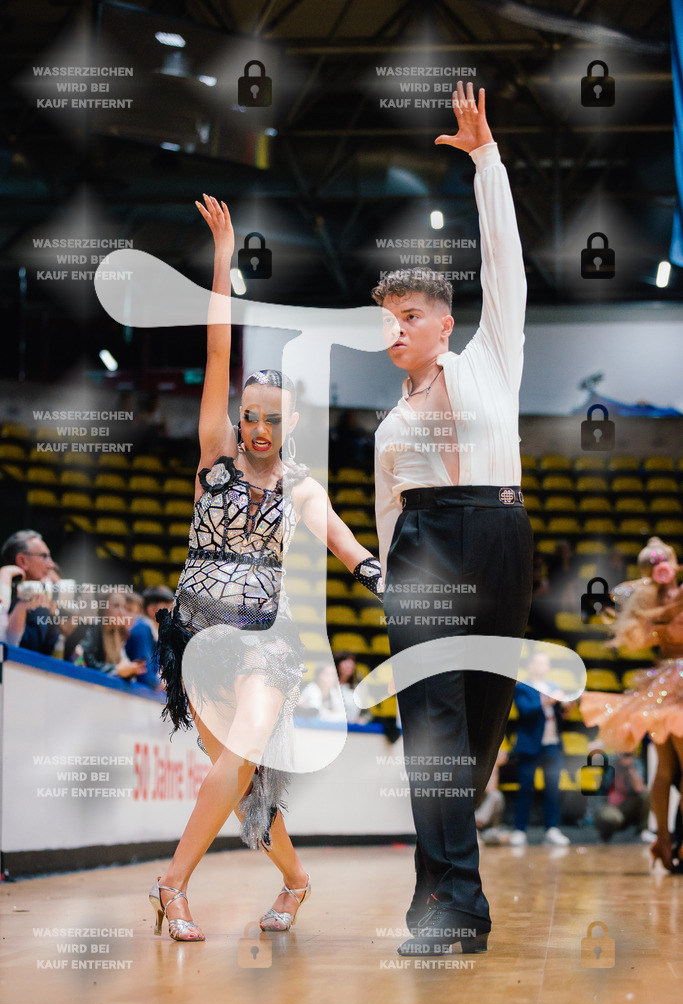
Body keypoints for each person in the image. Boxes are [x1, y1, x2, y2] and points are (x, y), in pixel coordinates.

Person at [150, 194, 383, 941]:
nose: (255, 425)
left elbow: (351, 549)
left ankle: (172, 884)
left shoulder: (302, 485)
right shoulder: (212, 461)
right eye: (248, 413)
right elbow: (219, 351)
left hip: (260, 641)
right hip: (194, 640)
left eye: (270, 419)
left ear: (289, 427)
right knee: (243, 785)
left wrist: (381, 576)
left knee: (245, 755)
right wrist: (221, 259)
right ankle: (297, 882)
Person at [373, 81, 534, 956]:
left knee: (473, 738)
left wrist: (484, 159)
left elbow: (503, 261)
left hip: (502, 537)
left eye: (405, 316)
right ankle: (454, 910)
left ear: (442, 322)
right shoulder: (389, 427)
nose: (392, 330)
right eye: (383, 321)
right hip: (422, 551)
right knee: (430, 733)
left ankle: (437, 881)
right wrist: (380, 575)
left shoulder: (491, 363)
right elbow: (384, 515)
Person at [580, 536, 683, 872]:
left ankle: (664, 840)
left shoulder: (648, 600)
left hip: (665, 685)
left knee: (666, 769)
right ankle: (665, 839)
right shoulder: (654, 600)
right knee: (667, 768)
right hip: (673, 687)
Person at [509, 652, 571, 847]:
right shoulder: (523, 687)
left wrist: (566, 707)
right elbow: (525, 711)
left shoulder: (554, 686)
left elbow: (559, 715)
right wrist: (549, 701)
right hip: (530, 746)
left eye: (545, 663)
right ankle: (519, 830)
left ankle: (552, 829)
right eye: (539, 663)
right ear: (532, 665)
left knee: (553, 789)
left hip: (552, 745)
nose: (542, 666)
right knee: (525, 788)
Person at [1, 530, 59, 654]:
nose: (51, 565)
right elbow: (27, 648)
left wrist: (51, 611)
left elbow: (47, 650)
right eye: (44, 557)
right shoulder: (5, 596)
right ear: (22, 561)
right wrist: (42, 605)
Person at [72, 591, 145, 680]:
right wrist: (117, 670)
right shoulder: (94, 628)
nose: (122, 612)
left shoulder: (116, 635)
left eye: (123, 607)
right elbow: (85, 662)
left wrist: (130, 671)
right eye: (116, 606)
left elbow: (121, 667)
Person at [593, 751, 654, 844]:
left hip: (626, 807)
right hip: (609, 807)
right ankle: (604, 837)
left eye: (628, 754)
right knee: (613, 818)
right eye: (622, 753)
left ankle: (643, 831)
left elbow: (639, 789)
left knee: (645, 794)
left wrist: (630, 770)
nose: (624, 757)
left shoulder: (635, 764)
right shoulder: (610, 764)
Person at [125, 585, 174, 689]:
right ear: (152, 610)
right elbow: (146, 677)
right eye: (169, 607)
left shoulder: (155, 635)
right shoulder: (142, 628)